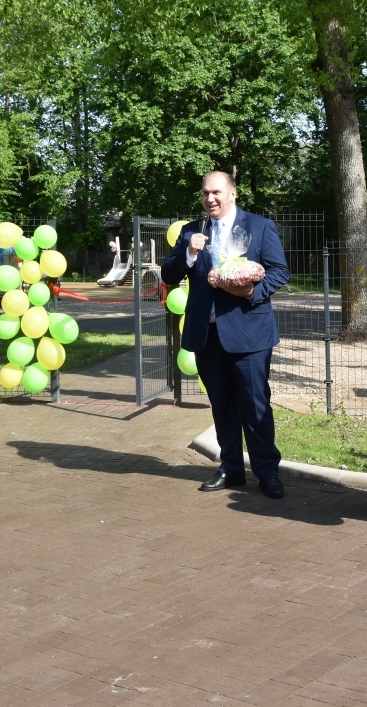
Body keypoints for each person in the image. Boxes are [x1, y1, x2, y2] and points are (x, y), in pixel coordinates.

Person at [162, 171, 291, 498]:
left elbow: (279, 272)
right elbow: (169, 272)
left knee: (255, 405)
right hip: (207, 334)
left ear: (232, 194)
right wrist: (188, 253)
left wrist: (250, 292)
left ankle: (266, 472)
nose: (210, 199)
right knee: (221, 404)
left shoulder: (259, 227)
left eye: (217, 192)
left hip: (249, 334)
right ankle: (231, 467)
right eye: (205, 193)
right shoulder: (193, 230)